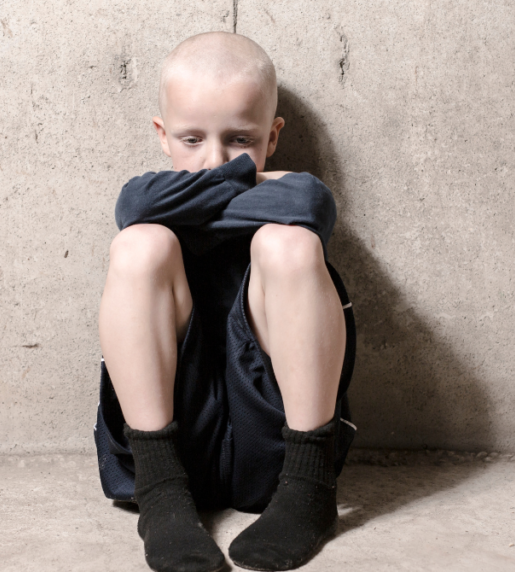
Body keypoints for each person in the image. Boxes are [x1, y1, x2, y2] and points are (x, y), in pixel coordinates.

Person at [93, 31, 357, 572]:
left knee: (288, 240)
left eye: (240, 139)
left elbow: (310, 202)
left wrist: (192, 202)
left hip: (278, 450)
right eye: (192, 140)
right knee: (141, 243)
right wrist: (251, 184)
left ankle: (310, 491)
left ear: (273, 135)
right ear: (162, 136)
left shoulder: (292, 191)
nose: (214, 160)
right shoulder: (151, 195)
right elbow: (133, 204)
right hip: (171, 452)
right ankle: (162, 499)